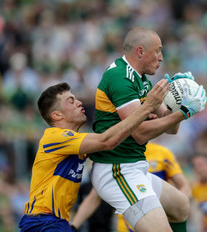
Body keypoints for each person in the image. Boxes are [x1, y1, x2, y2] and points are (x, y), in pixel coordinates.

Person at [89, 27, 207, 232]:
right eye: (158, 51)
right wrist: (185, 112)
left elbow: (170, 128)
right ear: (140, 52)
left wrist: (177, 99)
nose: (161, 58)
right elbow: (139, 132)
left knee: (180, 206)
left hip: (133, 165)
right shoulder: (120, 77)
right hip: (116, 168)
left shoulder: (141, 79)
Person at [18, 79, 171, 232]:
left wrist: (140, 121)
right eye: (71, 101)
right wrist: (147, 108)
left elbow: (115, 142)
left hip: (57, 222)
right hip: (42, 222)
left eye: (76, 99)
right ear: (57, 115)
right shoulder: (55, 137)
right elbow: (107, 140)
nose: (79, 102)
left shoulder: (75, 143)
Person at [70, 142, 191, 231]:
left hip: (160, 218)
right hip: (128, 226)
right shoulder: (119, 157)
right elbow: (93, 198)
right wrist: (74, 226)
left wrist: (161, 210)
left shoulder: (162, 152)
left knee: (181, 205)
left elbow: (184, 186)